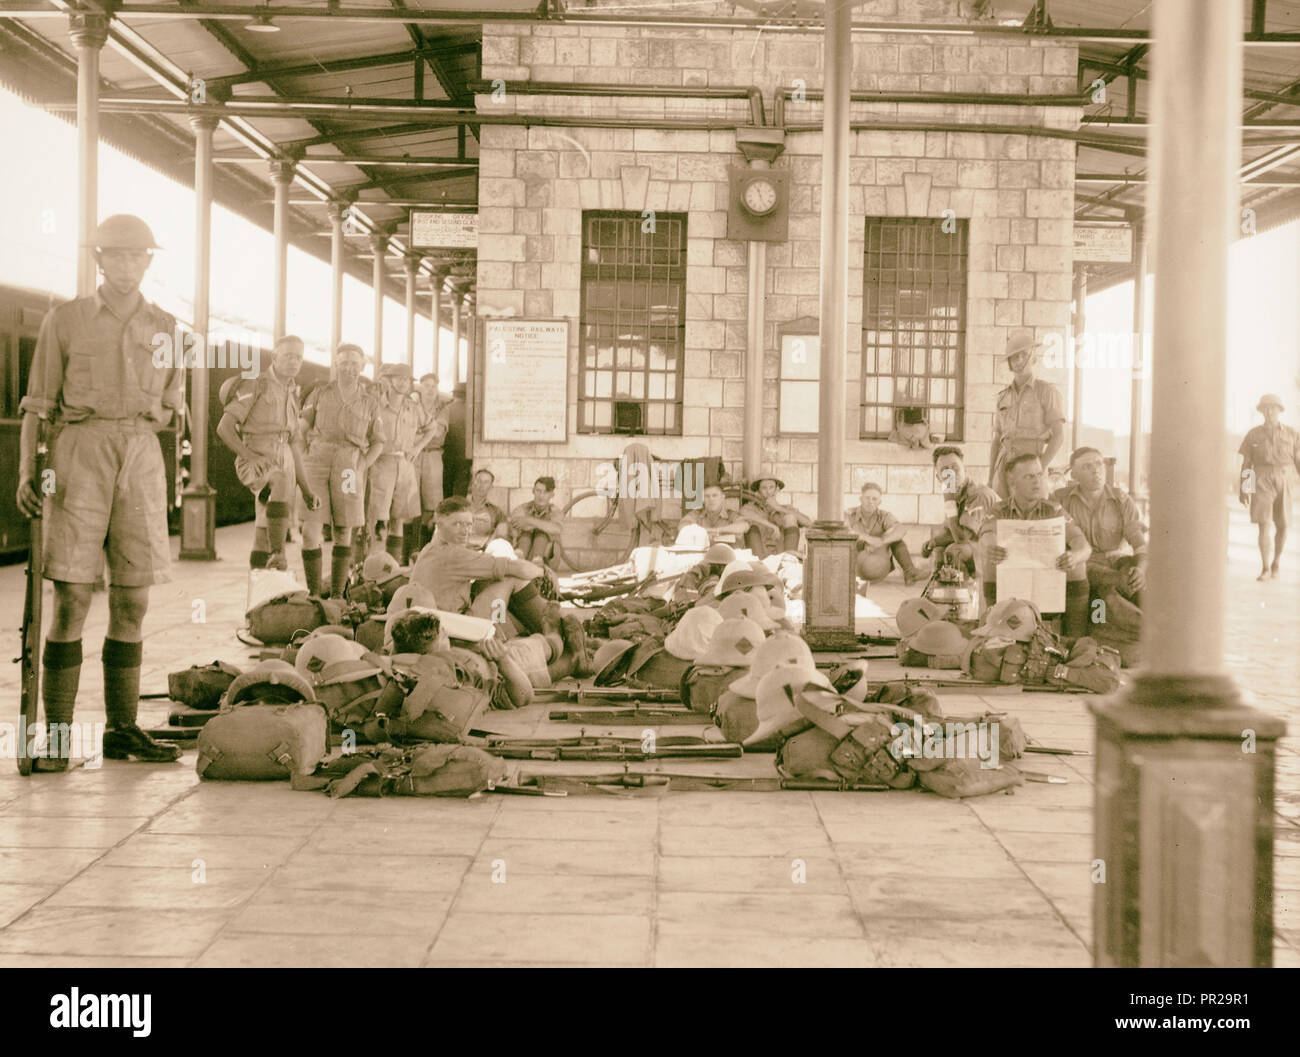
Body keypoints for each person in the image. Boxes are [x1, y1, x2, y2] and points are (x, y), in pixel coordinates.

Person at [15, 214, 184, 767]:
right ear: (99, 261)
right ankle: (59, 740)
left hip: (139, 456)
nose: (127, 265)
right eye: (116, 255)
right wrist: (28, 474)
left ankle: (123, 730)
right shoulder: (64, 320)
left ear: (148, 263)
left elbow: (171, 407)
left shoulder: (166, 327)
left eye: (137, 257)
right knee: (72, 597)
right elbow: (38, 407)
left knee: (133, 597)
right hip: (78, 454)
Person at [216, 334, 321, 577]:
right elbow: (224, 427)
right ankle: (279, 553)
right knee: (280, 482)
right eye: (288, 356)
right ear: (274, 357)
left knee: (262, 531)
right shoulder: (256, 383)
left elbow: (295, 444)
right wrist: (249, 456)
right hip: (257, 455)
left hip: (284, 455)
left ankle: (258, 592)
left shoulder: (291, 392)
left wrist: (306, 490)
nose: (294, 362)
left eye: (298, 357)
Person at [299, 343, 386, 597]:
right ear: (336, 364)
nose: (349, 368)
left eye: (354, 363)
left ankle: (337, 595)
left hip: (350, 465)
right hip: (317, 461)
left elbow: (379, 441)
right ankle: (314, 594)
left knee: (343, 529)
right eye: (344, 362)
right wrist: (305, 454)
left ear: (362, 366)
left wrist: (362, 466)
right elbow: (301, 428)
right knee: (309, 529)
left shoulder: (370, 402)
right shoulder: (319, 393)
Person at [979, 453, 1091, 637]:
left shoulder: (1054, 510)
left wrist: (1075, 556)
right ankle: (994, 628)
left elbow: (1083, 545)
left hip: (1046, 584)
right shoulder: (998, 510)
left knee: (1078, 567)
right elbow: (986, 535)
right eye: (1029, 476)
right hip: (1012, 586)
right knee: (990, 565)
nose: (1037, 481)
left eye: (1040, 474)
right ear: (1012, 481)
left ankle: (1074, 637)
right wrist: (991, 548)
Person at [410, 496, 552, 636]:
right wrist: (543, 572)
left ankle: (521, 626)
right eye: (457, 524)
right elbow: (518, 568)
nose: (465, 531)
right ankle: (548, 628)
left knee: (490, 580)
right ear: (439, 525)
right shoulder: (454, 554)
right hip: (451, 629)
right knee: (509, 578)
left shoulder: (429, 548)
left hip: (434, 624)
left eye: (469, 524)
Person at [1053, 446, 1146, 606]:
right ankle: (1143, 624)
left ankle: (1138, 621)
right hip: (1083, 567)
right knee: (1112, 589)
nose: (1096, 471)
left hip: (1116, 564)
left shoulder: (1122, 500)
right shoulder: (1061, 500)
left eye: (1099, 464)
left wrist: (1141, 571)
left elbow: (1140, 547)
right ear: (1074, 474)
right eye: (1087, 466)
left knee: (1119, 591)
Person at [989, 335, 1066, 497]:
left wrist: (1039, 469)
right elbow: (997, 439)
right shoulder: (1003, 397)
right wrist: (991, 477)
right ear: (1009, 363)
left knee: (1032, 515)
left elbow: (1058, 435)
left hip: (1031, 463)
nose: (1019, 361)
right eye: (1014, 357)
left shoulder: (1046, 392)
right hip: (1004, 466)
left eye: (1023, 355)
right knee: (1002, 515)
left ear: (1034, 358)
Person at [366, 363, 424, 565]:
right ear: (389, 381)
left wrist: (417, 448)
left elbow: (431, 427)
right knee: (372, 518)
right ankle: (364, 567)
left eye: (407, 379)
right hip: (381, 463)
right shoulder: (374, 405)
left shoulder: (413, 407)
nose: (403, 383)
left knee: (398, 519)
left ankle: (392, 568)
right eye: (398, 378)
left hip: (405, 466)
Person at [1238, 393, 1300, 581]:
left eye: (1273, 408)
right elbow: (1247, 463)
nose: (1270, 411)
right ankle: (1265, 568)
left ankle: (1276, 563)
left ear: (1280, 411)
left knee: (1283, 525)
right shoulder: (1253, 434)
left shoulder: (1292, 434)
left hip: (1285, 477)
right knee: (1263, 523)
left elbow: (1298, 460)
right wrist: (1244, 488)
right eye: (1266, 408)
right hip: (1262, 478)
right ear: (1262, 411)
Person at [922, 445, 998, 579]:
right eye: (945, 471)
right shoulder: (956, 494)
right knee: (939, 550)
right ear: (938, 477)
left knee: (956, 551)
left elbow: (962, 538)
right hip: (980, 546)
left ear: (965, 469)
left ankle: (964, 596)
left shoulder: (979, 495)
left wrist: (949, 501)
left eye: (955, 468)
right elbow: (951, 531)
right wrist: (933, 542)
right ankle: (943, 595)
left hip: (999, 551)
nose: (951, 475)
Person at [847, 481, 925, 586]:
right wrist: (867, 540)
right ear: (861, 499)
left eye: (874, 499)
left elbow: (900, 529)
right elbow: (845, 531)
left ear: (879, 502)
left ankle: (909, 572)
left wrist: (882, 542)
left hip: (878, 561)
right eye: (867, 498)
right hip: (853, 563)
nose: (870, 502)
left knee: (897, 540)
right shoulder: (849, 514)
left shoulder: (884, 516)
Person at [415, 372, 452, 546]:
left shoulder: (443, 407)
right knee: (410, 502)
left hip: (433, 454)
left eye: (434, 386)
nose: (430, 389)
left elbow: (437, 432)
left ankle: (427, 547)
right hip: (413, 455)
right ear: (420, 387)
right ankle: (409, 552)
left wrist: (420, 430)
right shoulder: (411, 404)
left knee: (432, 504)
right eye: (427, 385)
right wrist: (427, 428)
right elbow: (407, 430)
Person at [740, 475, 812, 557]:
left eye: (771, 487)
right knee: (750, 524)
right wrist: (772, 526)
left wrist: (778, 507)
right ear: (758, 491)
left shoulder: (784, 508)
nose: (768, 491)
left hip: (782, 555)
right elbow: (743, 512)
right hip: (759, 556)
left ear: (776, 490)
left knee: (790, 517)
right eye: (764, 488)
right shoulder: (751, 508)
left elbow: (809, 523)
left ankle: (790, 559)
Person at [510, 475, 563, 564]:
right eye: (538, 491)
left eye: (546, 492)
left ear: (552, 495)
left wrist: (528, 521)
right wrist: (544, 525)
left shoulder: (555, 511)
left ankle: (537, 560)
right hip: (524, 552)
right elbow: (516, 523)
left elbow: (557, 529)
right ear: (533, 491)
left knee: (542, 535)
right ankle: (521, 559)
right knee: (525, 535)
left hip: (547, 558)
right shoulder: (522, 508)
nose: (541, 496)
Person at [678, 483, 750, 544]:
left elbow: (743, 526)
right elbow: (682, 527)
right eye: (707, 496)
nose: (711, 499)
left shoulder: (731, 515)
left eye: (715, 495)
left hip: (727, 555)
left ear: (722, 497)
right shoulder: (696, 514)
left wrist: (716, 530)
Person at [465, 467, 509, 549]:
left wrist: (487, 546)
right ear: (472, 483)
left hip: (484, 552)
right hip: (460, 550)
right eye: (478, 481)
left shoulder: (496, 512)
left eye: (486, 482)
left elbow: (501, 535)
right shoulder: (460, 506)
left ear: (491, 486)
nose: (481, 485)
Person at [442, 382, 469, 500]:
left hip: (446, 454)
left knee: (446, 487)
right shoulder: (469, 410)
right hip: (464, 456)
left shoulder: (446, 408)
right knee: (460, 490)